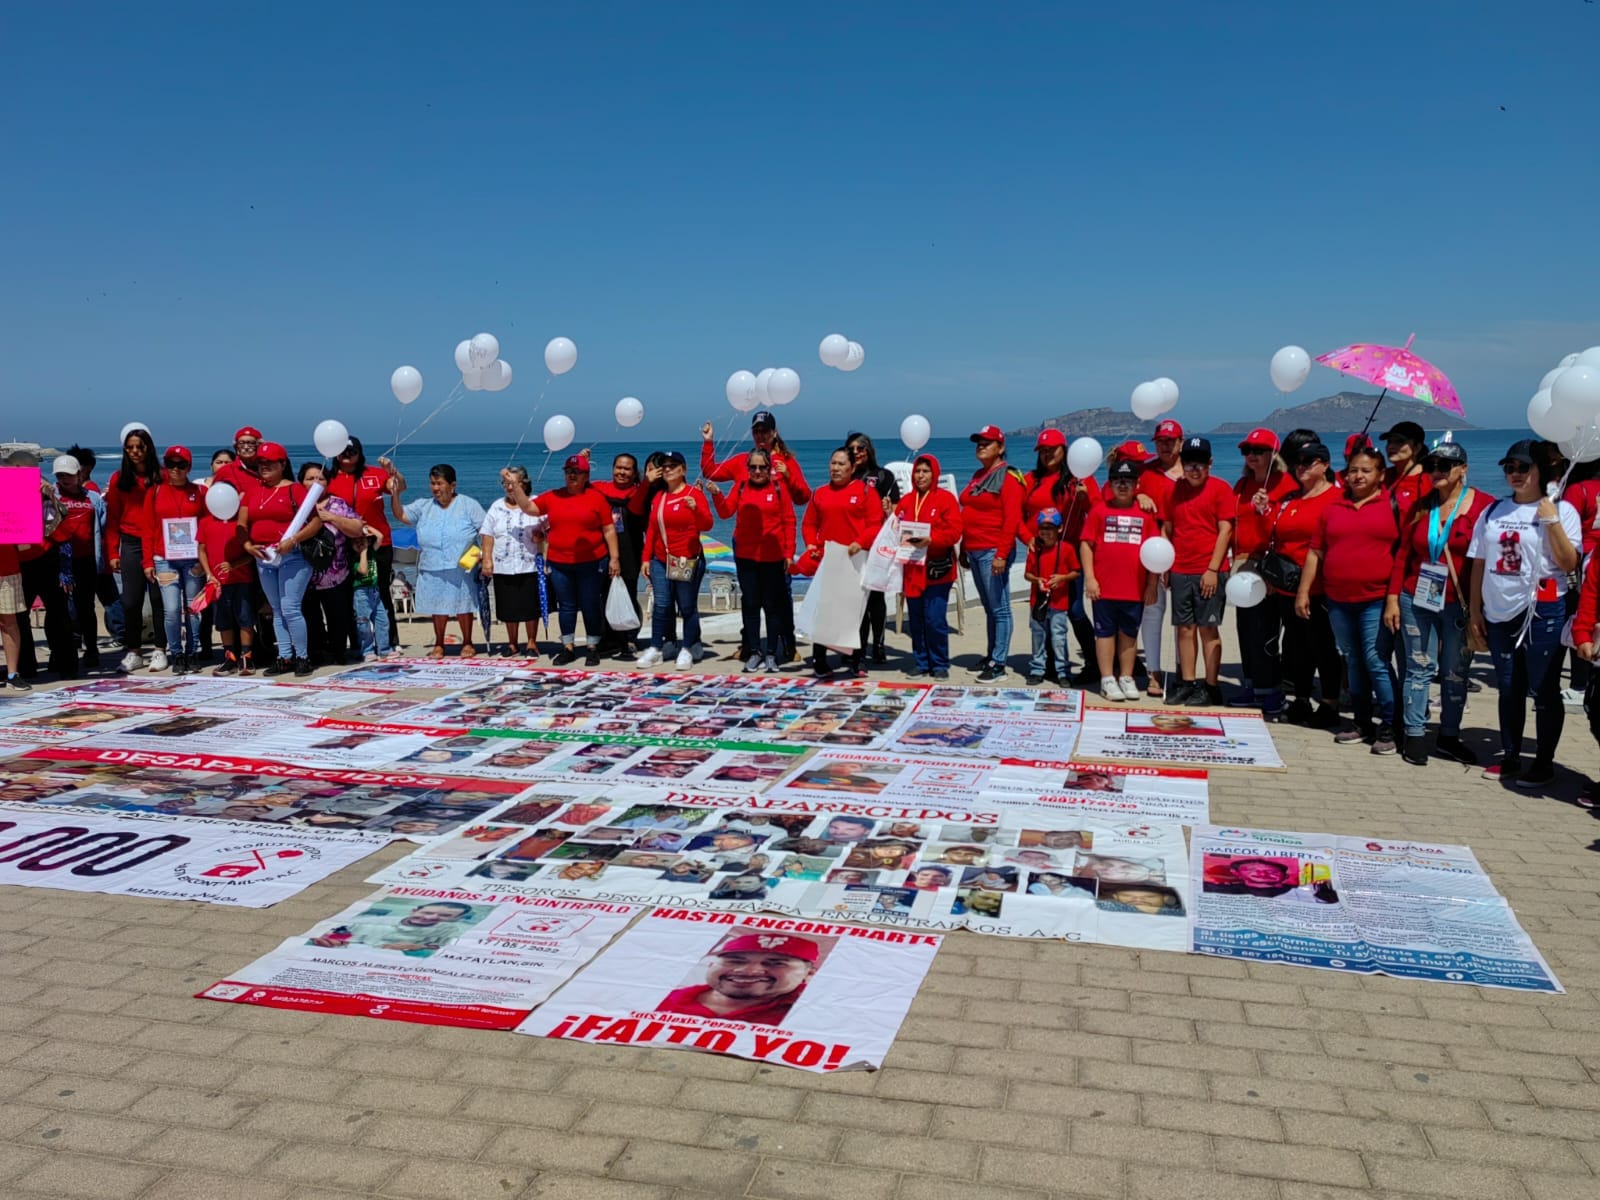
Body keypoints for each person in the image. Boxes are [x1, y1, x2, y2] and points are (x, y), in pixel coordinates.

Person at [1469, 440, 1581, 788]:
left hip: (1543, 609)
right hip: (1500, 610)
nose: (1514, 474)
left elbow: (1568, 563)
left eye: (1522, 467)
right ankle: (1511, 754)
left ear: (1540, 471)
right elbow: (1479, 563)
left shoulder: (1562, 511)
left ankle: (1544, 762)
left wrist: (1551, 522)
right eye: (1509, 468)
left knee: (1543, 688)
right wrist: (1475, 612)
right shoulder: (1493, 511)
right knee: (1508, 686)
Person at [1384, 439, 1493, 766]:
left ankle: (1448, 735)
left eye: (1444, 466)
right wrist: (1392, 598)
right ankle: (1414, 733)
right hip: (1416, 597)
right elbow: (1402, 553)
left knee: (1455, 671)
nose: (1436, 472)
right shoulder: (1422, 505)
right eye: (1432, 466)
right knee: (1418, 667)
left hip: (1459, 604)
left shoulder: (1483, 507)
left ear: (1463, 469)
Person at [1298, 445, 1400, 753]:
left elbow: (1402, 555)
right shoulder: (1333, 508)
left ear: (1380, 474)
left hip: (1375, 599)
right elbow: (1315, 551)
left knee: (1375, 660)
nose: (1358, 476)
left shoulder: (1391, 505)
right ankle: (1361, 721)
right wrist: (1304, 590)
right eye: (1353, 470)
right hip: (1338, 600)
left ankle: (1391, 724)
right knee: (1353, 661)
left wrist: (1393, 598)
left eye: (1366, 470)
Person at [500, 455, 620, 666]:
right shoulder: (553, 496)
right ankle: (568, 647)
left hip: (591, 562)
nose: (572, 475)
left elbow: (609, 529)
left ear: (586, 475)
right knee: (566, 606)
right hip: (559, 563)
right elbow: (529, 507)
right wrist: (514, 486)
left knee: (591, 604)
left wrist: (615, 558)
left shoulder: (596, 498)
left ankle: (592, 647)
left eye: (577, 472)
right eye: (568, 472)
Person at [706, 448, 796, 673]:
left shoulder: (778, 486)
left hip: (773, 556)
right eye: (753, 467)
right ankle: (755, 651)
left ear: (769, 468)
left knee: (772, 606)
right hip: (746, 557)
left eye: (762, 467)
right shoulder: (742, 485)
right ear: (747, 469)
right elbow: (726, 512)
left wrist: (788, 553)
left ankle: (772, 653)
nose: (757, 471)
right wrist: (717, 494)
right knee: (751, 604)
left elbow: (789, 521)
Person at [239, 442, 324, 676]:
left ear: (282, 464)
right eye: (260, 463)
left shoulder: (294, 490)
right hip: (264, 558)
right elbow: (241, 524)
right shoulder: (253, 491)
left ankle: (302, 657)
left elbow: (316, 522)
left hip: (293, 556)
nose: (264, 467)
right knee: (276, 609)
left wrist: (294, 540)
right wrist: (247, 545)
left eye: (269, 462)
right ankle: (284, 656)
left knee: (290, 607)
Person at [1080, 458, 1161, 701]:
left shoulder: (1146, 515)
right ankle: (1107, 678)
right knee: (1104, 633)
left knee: (1129, 634)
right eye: (1117, 480)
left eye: (1127, 480)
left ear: (1137, 484)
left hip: (1134, 588)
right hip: (1104, 588)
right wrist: (1090, 578)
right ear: (1110, 484)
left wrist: (1152, 584)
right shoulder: (1099, 511)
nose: (1122, 485)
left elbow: (1155, 550)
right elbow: (1086, 544)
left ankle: (1126, 676)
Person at [1163, 437, 1235, 707]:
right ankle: (1188, 682)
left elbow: (1225, 530)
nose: (1194, 470)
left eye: (1200, 464)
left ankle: (1212, 686)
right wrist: (1166, 566)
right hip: (1180, 568)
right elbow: (1167, 528)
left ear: (1210, 464)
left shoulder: (1220, 489)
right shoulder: (1173, 490)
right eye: (1189, 464)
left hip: (1209, 570)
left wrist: (1212, 569)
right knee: (1184, 628)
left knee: (1208, 629)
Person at [1024, 428, 1101, 681]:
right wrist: (1028, 540)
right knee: (1043, 609)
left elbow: (1098, 514)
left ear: (1064, 451)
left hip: (1072, 553)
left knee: (1075, 610)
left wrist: (1085, 498)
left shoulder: (1080, 478)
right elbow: (1018, 517)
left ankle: (1093, 662)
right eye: (1042, 451)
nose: (1047, 454)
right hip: (1041, 554)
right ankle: (1047, 664)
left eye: (1052, 449)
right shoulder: (1030, 479)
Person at [1274, 442, 1342, 728]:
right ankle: (1301, 698)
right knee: (1296, 647)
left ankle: (1329, 702)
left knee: (1323, 647)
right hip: (1287, 585)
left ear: (1325, 465)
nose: (1301, 466)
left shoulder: (1337, 498)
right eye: (1297, 461)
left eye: (1309, 461)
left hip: (1319, 587)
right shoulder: (1292, 498)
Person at [1230, 429, 1297, 715]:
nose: (1252, 456)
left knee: (1266, 629)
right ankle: (1252, 683)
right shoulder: (1242, 484)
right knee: (1246, 627)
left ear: (1273, 454)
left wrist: (1266, 509)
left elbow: (1288, 527)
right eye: (1248, 451)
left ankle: (1271, 689)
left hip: (1269, 564)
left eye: (1259, 450)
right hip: (1244, 564)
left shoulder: (1286, 484)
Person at [390, 464, 488, 658]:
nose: (435, 487)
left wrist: (484, 554)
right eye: (432, 483)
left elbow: (486, 530)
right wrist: (395, 495)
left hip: (462, 566)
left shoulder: (469, 504)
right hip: (432, 565)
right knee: (438, 607)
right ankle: (439, 643)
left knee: (464, 605)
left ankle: (468, 642)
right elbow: (401, 515)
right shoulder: (423, 506)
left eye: (439, 483)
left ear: (452, 485)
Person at [797, 447, 879, 677]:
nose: (836, 468)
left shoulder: (865, 491)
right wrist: (811, 543)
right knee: (825, 611)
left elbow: (875, 524)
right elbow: (809, 524)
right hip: (828, 560)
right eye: (833, 463)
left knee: (856, 613)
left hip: (856, 560)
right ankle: (820, 659)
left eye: (841, 464)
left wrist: (860, 542)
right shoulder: (820, 493)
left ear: (853, 468)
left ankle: (857, 659)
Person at [960, 425, 1026, 682]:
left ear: (1000, 448)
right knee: (990, 607)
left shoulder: (1008, 477)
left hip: (992, 551)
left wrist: (1001, 554)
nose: (981, 446)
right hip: (975, 550)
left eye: (987, 443)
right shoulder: (978, 475)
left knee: (1000, 609)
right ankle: (991, 656)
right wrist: (965, 547)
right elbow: (970, 513)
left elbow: (1011, 520)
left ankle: (999, 663)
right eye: (978, 442)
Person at [326, 437, 405, 649]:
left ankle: (389, 641)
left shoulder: (375, 473)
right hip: (345, 544)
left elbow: (400, 487)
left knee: (380, 591)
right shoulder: (329, 477)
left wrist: (392, 470)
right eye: (342, 451)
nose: (347, 454)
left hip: (379, 542)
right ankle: (358, 642)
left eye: (352, 450)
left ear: (360, 453)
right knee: (351, 595)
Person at [636, 450, 712, 669]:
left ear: (683, 470)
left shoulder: (693, 494)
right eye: (665, 466)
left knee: (687, 607)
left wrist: (696, 509)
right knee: (662, 604)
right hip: (661, 559)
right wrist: (646, 558)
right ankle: (655, 648)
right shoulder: (660, 497)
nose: (668, 469)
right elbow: (652, 529)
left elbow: (707, 525)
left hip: (686, 560)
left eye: (673, 465)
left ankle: (688, 648)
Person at [139, 446, 208, 674]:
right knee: (171, 609)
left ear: (189, 467)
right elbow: (147, 528)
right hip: (164, 559)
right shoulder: (155, 492)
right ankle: (176, 653)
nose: (176, 470)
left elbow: (207, 527)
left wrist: (205, 559)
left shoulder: (200, 492)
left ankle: (192, 652)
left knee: (193, 608)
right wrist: (147, 562)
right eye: (171, 464)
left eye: (181, 465)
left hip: (192, 559)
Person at [105, 423, 167, 673]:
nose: (135, 452)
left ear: (148, 448)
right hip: (130, 543)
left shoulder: (162, 476)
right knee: (130, 601)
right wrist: (111, 552)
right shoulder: (119, 478)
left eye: (139, 447)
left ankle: (161, 650)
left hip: (158, 542)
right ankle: (134, 652)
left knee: (158, 599)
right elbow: (112, 518)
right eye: (129, 448)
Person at [895, 453, 963, 680]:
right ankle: (921, 661)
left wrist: (932, 538)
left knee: (935, 619)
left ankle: (940, 663)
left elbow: (955, 531)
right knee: (916, 620)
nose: (920, 475)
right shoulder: (906, 501)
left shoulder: (945, 499)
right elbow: (894, 529)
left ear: (934, 473)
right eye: (917, 471)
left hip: (937, 568)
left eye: (925, 471)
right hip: (913, 569)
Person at [654, 932, 819, 1023]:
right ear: (711, 965)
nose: (749, 970)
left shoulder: (816, 1012)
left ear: (809, 974)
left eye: (775, 963)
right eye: (735, 960)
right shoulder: (662, 998)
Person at [480, 465, 551, 659]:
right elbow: (487, 534)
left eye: (512, 483)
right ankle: (512, 643)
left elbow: (549, 528)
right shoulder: (497, 506)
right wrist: (487, 559)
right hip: (503, 564)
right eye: (506, 483)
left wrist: (541, 535)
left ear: (524, 484)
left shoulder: (535, 503)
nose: (508, 487)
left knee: (530, 606)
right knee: (508, 607)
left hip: (528, 563)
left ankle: (531, 643)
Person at [42, 454, 101, 677]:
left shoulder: (94, 498)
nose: (64, 480)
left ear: (79, 475)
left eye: (68, 475)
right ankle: (57, 652)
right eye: (60, 476)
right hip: (58, 562)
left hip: (85, 560)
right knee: (59, 611)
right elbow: (46, 526)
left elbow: (101, 529)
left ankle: (91, 649)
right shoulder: (50, 497)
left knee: (86, 608)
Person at [1138, 419, 1185, 696]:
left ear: (1180, 442)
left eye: (1171, 440)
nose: (1165, 446)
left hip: (1185, 551)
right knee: (1152, 611)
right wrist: (1139, 494)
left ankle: (1183, 671)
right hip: (1151, 554)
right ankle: (1153, 672)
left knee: (1183, 617)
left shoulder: (1192, 472)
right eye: (1160, 441)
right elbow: (1115, 493)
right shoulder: (1144, 472)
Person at [298, 462, 359, 667]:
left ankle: (339, 651)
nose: (315, 482)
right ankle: (315, 652)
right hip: (304, 575)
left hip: (336, 573)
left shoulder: (338, 504)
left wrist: (332, 518)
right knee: (310, 617)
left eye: (321, 478)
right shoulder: (295, 504)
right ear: (301, 481)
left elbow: (357, 528)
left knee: (338, 616)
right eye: (310, 478)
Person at [847, 432, 900, 663]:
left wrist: (889, 509)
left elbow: (897, 512)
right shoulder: (845, 476)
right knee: (854, 599)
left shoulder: (884, 476)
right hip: (852, 544)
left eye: (861, 448)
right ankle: (855, 646)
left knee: (875, 598)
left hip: (877, 543)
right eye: (852, 449)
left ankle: (878, 644)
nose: (857, 453)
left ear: (869, 450)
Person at [590, 453, 646, 658]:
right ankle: (609, 638)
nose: (622, 472)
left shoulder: (639, 492)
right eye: (619, 467)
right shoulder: (599, 488)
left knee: (628, 594)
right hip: (602, 551)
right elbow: (577, 485)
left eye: (627, 469)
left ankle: (629, 638)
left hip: (630, 550)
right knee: (604, 595)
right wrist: (580, 458)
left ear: (634, 473)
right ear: (612, 468)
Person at [198, 484, 255, 675]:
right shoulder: (206, 522)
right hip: (218, 582)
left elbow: (251, 552)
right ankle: (229, 657)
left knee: (245, 618)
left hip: (242, 579)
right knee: (223, 621)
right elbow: (202, 550)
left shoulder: (241, 523)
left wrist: (234, 565)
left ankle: (247, 657)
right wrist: (209, 574)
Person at [1022, 509, 1079, 689]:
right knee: (1038, 635)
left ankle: (1063, 671)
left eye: (1050, 528)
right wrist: (1037, 580)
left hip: (1059, 602)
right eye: (1042, 528)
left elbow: (1076, 572)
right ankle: (1037, 669)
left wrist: (1062, 578)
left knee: (1059, 636)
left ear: (1060, 528)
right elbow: (1027, 574)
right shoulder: (1035, 549)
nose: (1045, 532)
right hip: (1038, 601)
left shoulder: (1067, 548)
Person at [308, 900, 477, 955]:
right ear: (414, 910)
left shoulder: (453, 930)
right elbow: (337, 933)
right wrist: (336, 942)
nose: (431, 918)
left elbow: (455, 949)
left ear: (456, 919)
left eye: (445, 916)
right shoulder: (370, 920)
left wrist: (421, 946)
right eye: (428, 912)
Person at [1382, 421, 1433, 517]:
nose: (1391, 446)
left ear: (1417, 447)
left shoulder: (1427, 480)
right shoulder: (1383, 476)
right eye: (1389, 441)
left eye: (1399, 441)